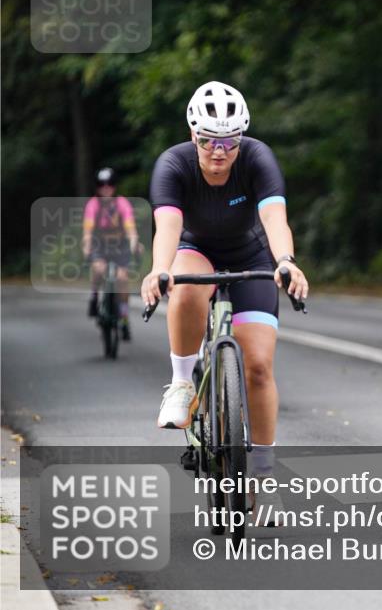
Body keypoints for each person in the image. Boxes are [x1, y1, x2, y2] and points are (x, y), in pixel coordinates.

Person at [140, 81, 308, 524]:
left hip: (250, 254)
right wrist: (160, 268)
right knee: (187, 283)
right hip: (195, 249)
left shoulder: (257, 158)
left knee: (258, 366)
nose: (219, 151)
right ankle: (181, 383)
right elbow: (168, 227)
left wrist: (286, 261)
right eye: (208, 140)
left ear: (242, 138)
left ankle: (264, 479)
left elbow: (274, 217)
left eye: (229, 140)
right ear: (192, 135)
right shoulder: (173, 165)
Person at [83, 167, 140, 340]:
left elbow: (130, 227)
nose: (106, 188)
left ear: (115, 186)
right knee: (98, 269)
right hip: (100, 245)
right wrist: (86, 246)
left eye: (110, 184)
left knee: (122, 278)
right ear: (97, 187)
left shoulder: (122, 203)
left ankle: (123, 317)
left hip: (119, 245)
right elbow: (88, 230)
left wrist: (134, 242)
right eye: (102, 184)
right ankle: (94, 296)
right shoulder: (93, 204)